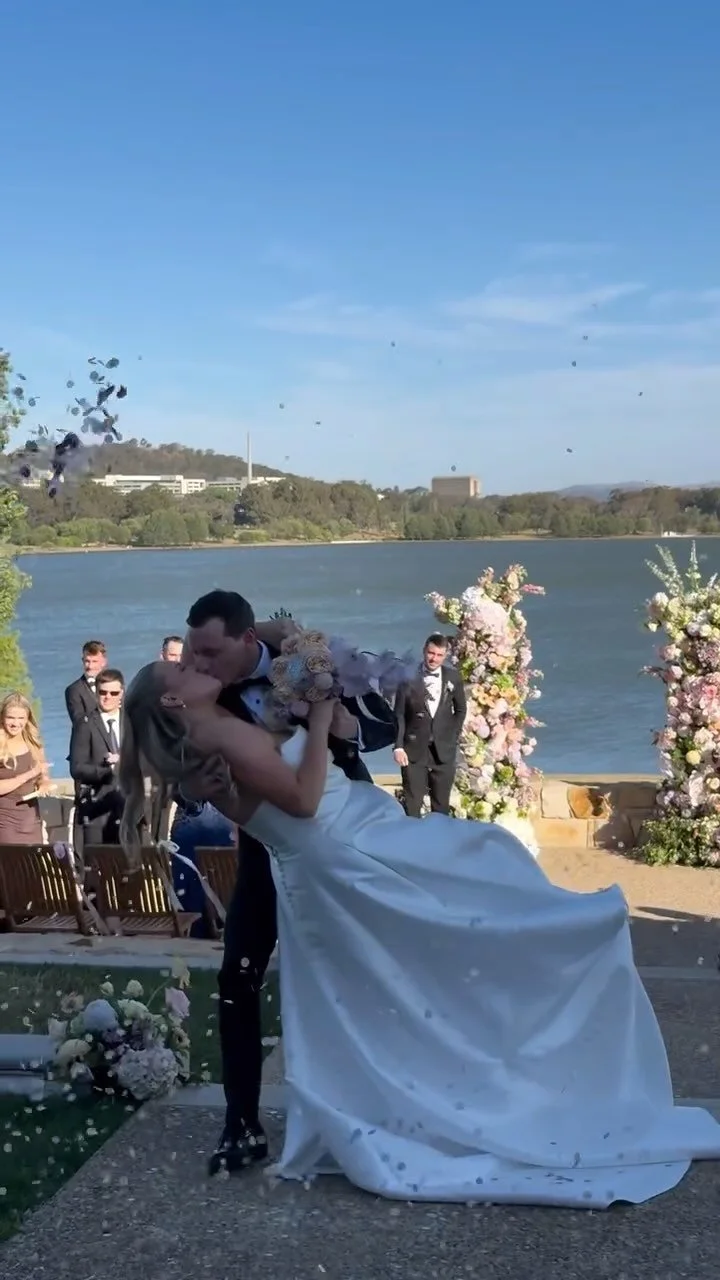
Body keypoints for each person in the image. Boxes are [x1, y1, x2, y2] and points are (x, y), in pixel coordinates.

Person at [119, 660, 720, 1209]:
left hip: (328, 852)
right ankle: (559, 953)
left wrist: (310, 695)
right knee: (479, 874)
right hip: (341, 850)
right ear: (172, 701)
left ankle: (419, 1094)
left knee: (403, 972)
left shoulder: (206, 741)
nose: (193, 666)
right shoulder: (220, 736)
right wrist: (320, 716)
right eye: (182, 670)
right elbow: (301, 800)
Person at [181, 590, 396, 1175]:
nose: (199, 663)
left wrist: (340, 722)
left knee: (364, 969)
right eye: (194, 651)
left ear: (247, 638)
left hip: (343, 835)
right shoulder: (202, 694)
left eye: (211, 652)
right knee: (237, 974)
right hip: (268, 848)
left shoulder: (306, 653)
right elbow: (181, 767)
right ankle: (240, 1124)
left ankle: (378, 1104)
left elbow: (382, 729)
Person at [393, 632, 466, 816]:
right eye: (431, 653)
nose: (434, 659)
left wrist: (453, 735)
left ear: (445, 655)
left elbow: (460, 710)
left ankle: (439, 834)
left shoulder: (453, 677)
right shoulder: (407, 678)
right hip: (413, 749)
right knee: (412, 804)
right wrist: (398, 746)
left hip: (443, 750)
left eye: (439, 655)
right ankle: (413, 834)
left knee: (441, 806)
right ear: (424, 651)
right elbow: (399, 714)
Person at [69, 667, 125, 849]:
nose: (108, 697)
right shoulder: (84, 724)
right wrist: (109, 770)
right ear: (96, 693)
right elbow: (77, 768)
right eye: (103, 692)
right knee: (98, 862)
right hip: (97, 807)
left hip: (129, 807)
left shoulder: (133, 721)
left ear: (121, 693)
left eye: (113, 693)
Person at [0, 693, 49, 845]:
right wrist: (29, 774)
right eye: (10, 718)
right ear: (2, 717)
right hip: (4, 821)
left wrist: (43, 784)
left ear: (27, 719)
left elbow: (43, 774)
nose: (15, 723)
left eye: (21, 718)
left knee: (32, 860)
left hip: (31, 820)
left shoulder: (33, 743)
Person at [65, 640, 107, 724]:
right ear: (82, 660)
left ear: (103, 662)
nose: (90, 666)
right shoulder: (74, 690)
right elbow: (79, 722)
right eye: (87, 661)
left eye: (94, 661)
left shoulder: (115, 685)